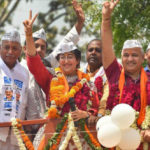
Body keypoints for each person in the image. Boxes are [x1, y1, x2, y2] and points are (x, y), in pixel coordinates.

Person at [23, 0, 101, 149]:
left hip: (83, 138)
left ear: (77, 60)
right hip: (55, 136)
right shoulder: (51, 78)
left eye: (70, 57)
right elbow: (34, 63)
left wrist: (86, 114)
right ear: (58, 61)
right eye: (62, 57)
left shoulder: (88, 83)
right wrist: (28, 36)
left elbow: (95, 110)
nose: (66, 61)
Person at [101, 0, 150, 148]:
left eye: (134, 55)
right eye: (126, 55)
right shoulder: (115, 73)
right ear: (121, 58)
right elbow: (107, 46)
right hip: (116, 142)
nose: (130, 59)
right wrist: (106, 19)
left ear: (143, 58)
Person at [0, 29, 29, 150]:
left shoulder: (24, 73)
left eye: (14, 48)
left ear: (21, 50)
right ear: (0, 48)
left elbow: (25, 104)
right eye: (6, 47)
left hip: (16, 135)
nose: (10, 52)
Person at [83, 39, 109, 118]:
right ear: (86, 54)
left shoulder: (108, 75)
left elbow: (106, 97)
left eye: (98, 50)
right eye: (90, 50)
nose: (93, 53)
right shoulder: (79, 73)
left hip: (100, 120)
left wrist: (99, 114)